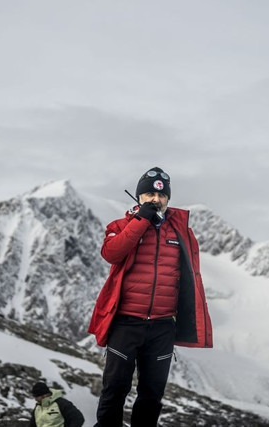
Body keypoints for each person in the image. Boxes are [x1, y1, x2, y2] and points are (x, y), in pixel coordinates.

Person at [88, 167, 213, 427]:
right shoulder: (120, 226)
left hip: (162, 326)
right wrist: (141, 220)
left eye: (161, 195)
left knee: (152, 395)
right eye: (149, 194)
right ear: (138, 197)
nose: (156, 199)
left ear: (168, 198)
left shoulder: (180, 232)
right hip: (126, 323)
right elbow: (111, 253)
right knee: (115, 389)